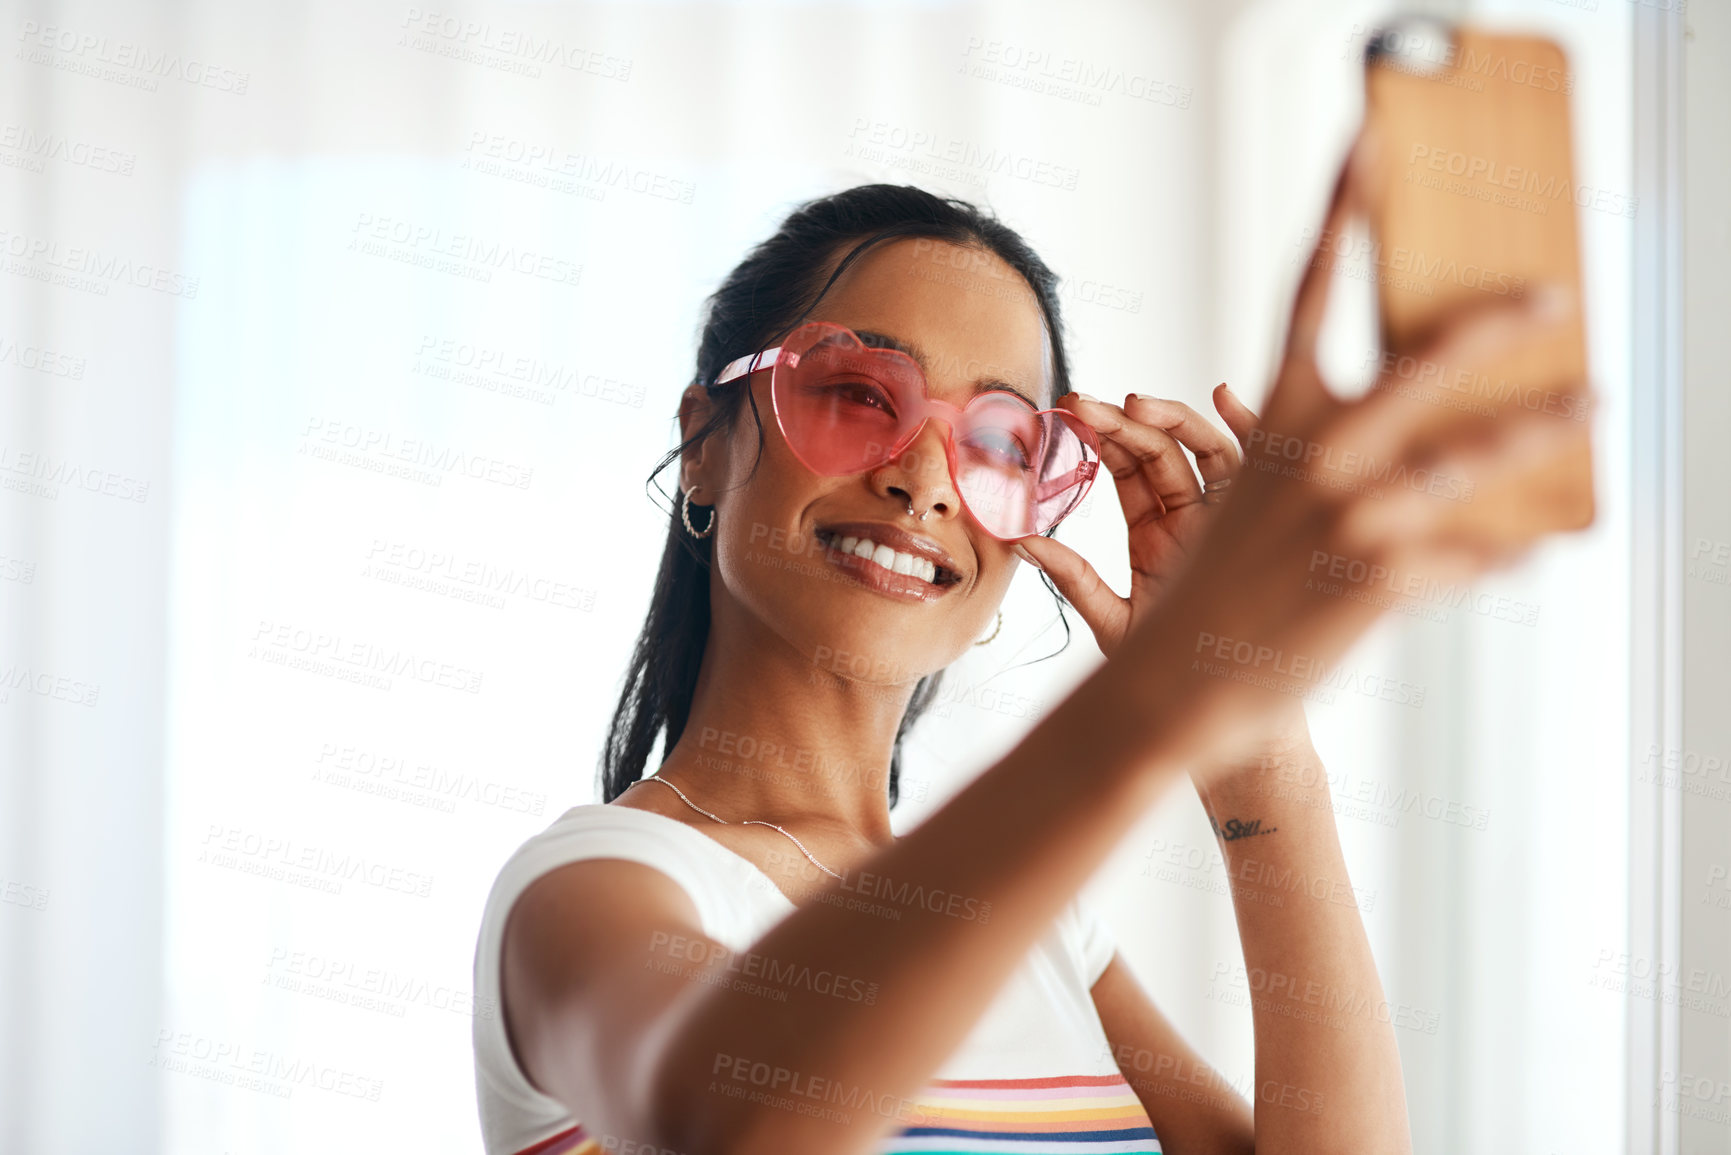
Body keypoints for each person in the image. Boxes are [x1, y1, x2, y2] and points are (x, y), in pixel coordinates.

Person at [471, 138, 1585, 1155]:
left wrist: (1257, 748)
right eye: (860, 394)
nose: (927, 478)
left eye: (1000, 441)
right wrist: (1163, 696)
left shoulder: (1046, 932)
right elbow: (733, 1127)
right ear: (706, 445)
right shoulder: (591, 894)